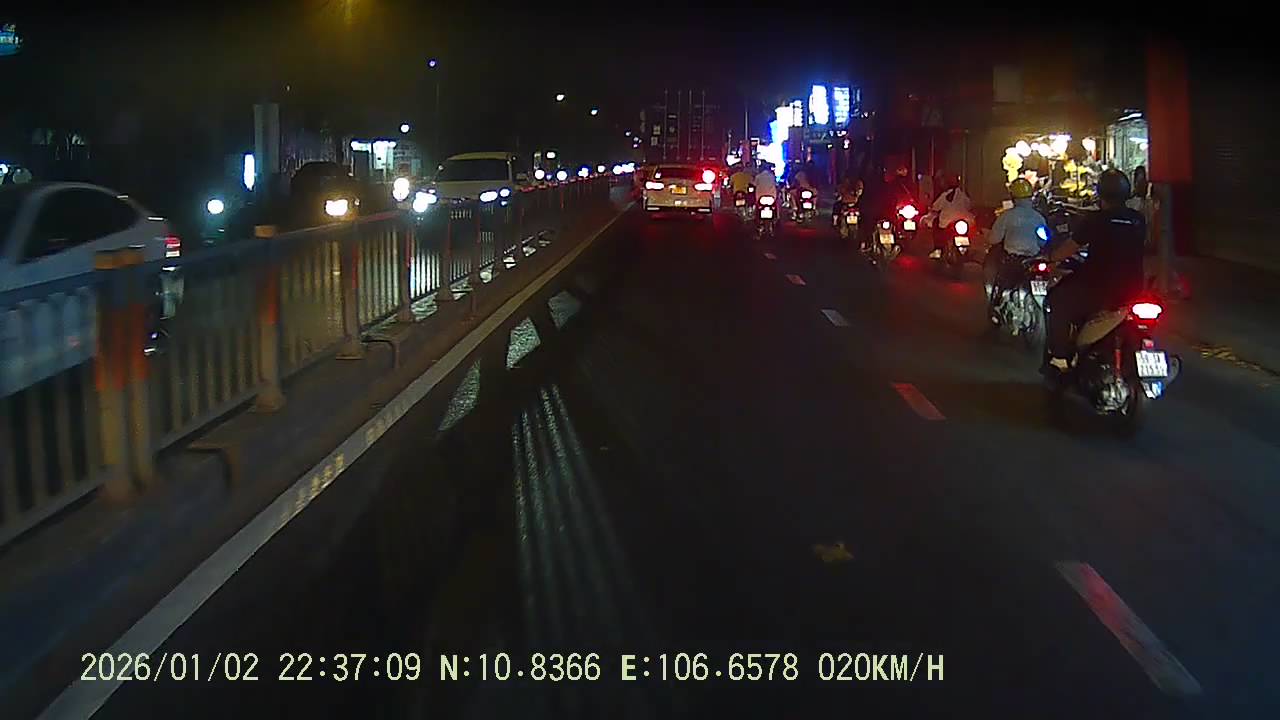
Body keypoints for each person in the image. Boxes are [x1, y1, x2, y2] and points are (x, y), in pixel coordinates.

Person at [1041, 169, 1146, 379]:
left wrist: (1050, 257)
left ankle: (1060, 358)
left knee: (1058, 299)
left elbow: (1068, 248)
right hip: (1134, 287)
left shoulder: (1096, 220)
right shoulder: (1138, 219)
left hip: (1098, 286)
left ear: (1101, 193)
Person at [984, 178, 1047, 314]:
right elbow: (1043, 240)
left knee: (1001, 284)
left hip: (1013, 259)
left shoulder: (1006, 217)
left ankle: (996, 308)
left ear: (1013, 197)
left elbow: (994, 239)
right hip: (1034, 260)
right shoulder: (1039, 218)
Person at [926, 173, 974, 258]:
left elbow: (936, 207)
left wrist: (932, 209)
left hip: (946, 222)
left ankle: (938, 249)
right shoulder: (963, 195)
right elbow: (969, 205)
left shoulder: (944, 196)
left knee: (936, 225)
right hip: (964, 221)